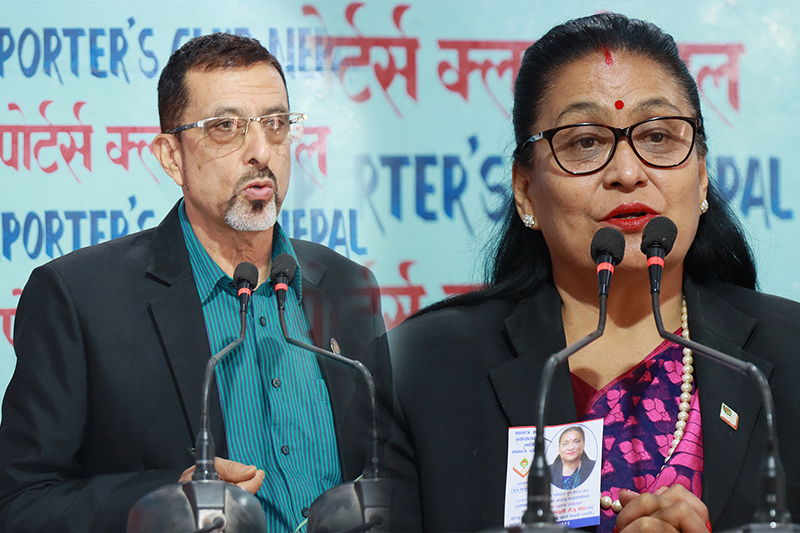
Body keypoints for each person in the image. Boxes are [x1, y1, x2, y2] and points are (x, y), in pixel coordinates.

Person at [386, 13, 800, 533]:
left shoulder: (789, 354)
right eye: (585, 142)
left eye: (658, 136)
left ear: (700, 176)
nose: (627, 172)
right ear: (525, 190)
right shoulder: (422, 370)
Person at [0, 33, 388, 532]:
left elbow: (392, 470)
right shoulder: (80, 299)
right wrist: (165, 501)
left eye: (275, 124)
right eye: (226, 127)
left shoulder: (349, 287)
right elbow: (21, 501)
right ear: (171, 156)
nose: (261, 151)